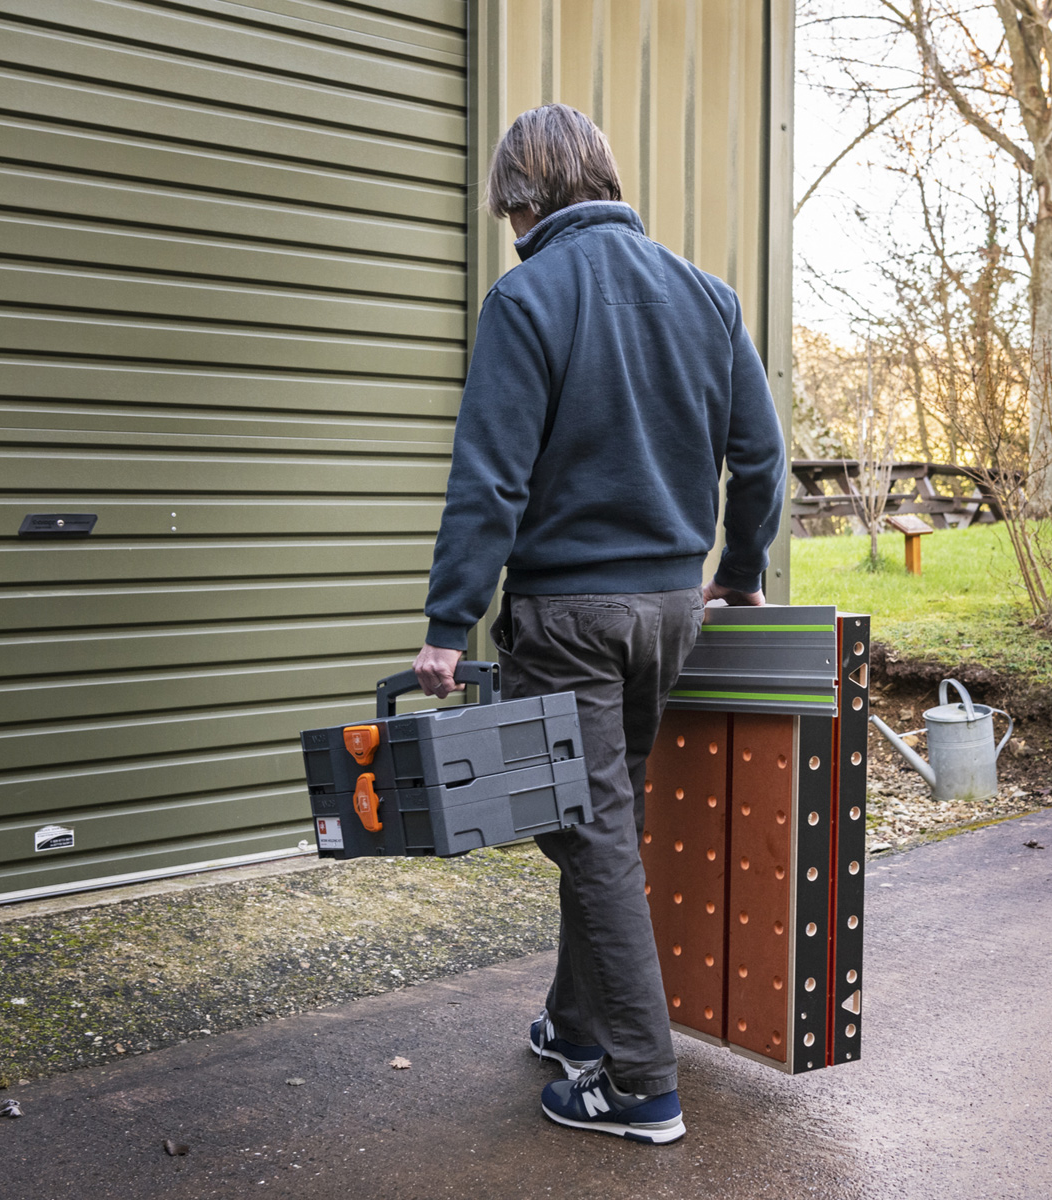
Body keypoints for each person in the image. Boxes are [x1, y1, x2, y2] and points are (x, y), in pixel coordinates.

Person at [413, 104, 785, 1143]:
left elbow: (489, 479)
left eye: (508, 213)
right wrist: (739, 573)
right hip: (670, 612)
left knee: (589, 833)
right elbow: (761, 458)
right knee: (601, 821)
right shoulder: (707, 296)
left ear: (523, 201)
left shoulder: (526, 297)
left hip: (569, 617)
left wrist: (447, 621)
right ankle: (575, 1025)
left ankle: (639, 1085)